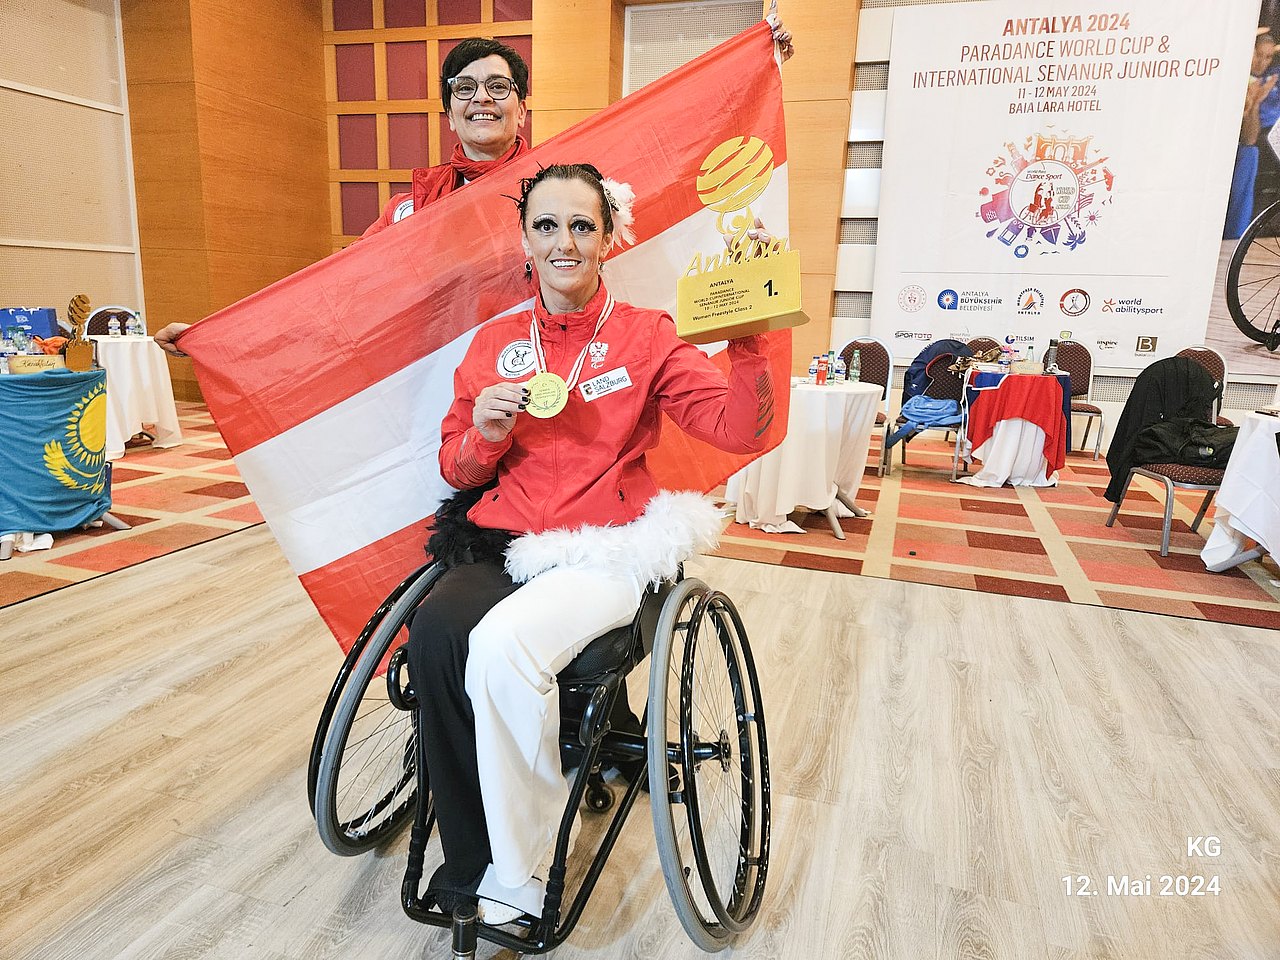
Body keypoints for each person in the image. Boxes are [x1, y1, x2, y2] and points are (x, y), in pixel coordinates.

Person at [406, 163, 774, 923]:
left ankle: (524, 861)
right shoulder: (496, 344)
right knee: (437, 632)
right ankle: (471, 852)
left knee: (502, 647)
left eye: (581, 225)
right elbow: (454, 463)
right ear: (525, 240)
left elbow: (741, 429)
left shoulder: (647, 335)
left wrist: (750, 346)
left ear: (608, 239)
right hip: (508, 540)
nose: (564, 241)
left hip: (607, 543)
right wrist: (485, 434)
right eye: (547, 225)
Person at [153, 24, 794, 356]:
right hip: (439, 379)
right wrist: (224, 333)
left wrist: (757, 70)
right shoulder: (412, 208)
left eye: (497, 87)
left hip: (552, 369)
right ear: (448, 113)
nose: (481, 98)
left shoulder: (564, 190)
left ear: (522, 108)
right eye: (465, 88)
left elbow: (666, 178)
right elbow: (339, 290)